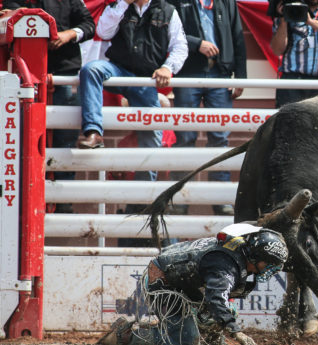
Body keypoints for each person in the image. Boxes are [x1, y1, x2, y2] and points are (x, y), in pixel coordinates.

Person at [97, 226, 288, 345]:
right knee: (186, 339)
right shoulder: (225, 266)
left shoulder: (237, 250)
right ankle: (127, 336)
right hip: (164, 282)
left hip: (185, 284)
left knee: (212, 327)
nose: (268, 269)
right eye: (268, 264)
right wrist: (236, 331)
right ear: (255, 257)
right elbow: (217, 298)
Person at [76, 0, 188, 188]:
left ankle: (141, 196)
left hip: (146, 78)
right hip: (117, 70)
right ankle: (94, 132)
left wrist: (168, 68)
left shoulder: (168, 11)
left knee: (151, 135)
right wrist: (123, 4)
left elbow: (180, 46)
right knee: (91, 70)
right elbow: (103, 31)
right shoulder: (119, 5)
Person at [1, 0, 96, 213]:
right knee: (26, 136)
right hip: (26, 76)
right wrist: (15, 13)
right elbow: (8, 15)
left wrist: (67, 35)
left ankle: (62, 201)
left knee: (64, 137)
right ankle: (27, 197)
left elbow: (88, 25)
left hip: (63, 74)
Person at [165, 0, 246, 216]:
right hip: (187, 73)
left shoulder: (226, 2)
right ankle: (179, 196)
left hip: (220, 74)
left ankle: (220, 198)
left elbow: (238, 36)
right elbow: (167, 29)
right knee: (185, 137)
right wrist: (196, 43)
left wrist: (241, 77)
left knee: (220, 137)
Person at [269, 0, 318, 108]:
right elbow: (277, 50)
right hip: (293, 82)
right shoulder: (290, 8)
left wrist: (308, 20)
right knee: (289, 123)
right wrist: (284, 19)